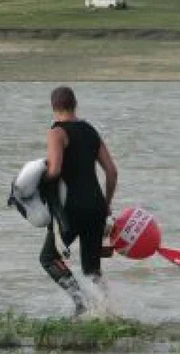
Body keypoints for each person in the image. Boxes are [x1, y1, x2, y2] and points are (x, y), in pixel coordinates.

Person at [39, 86, 118, 316]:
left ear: (53, 107)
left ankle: (80, 303)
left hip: (70, 209)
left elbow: (54, 171)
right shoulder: (90, 131)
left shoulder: (57, 133)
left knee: (48, 257)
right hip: (96, 207)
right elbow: (112, 172)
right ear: (75, 104)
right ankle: (108, 311)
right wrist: (106, 205)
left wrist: (33, 181)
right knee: (92, 269)